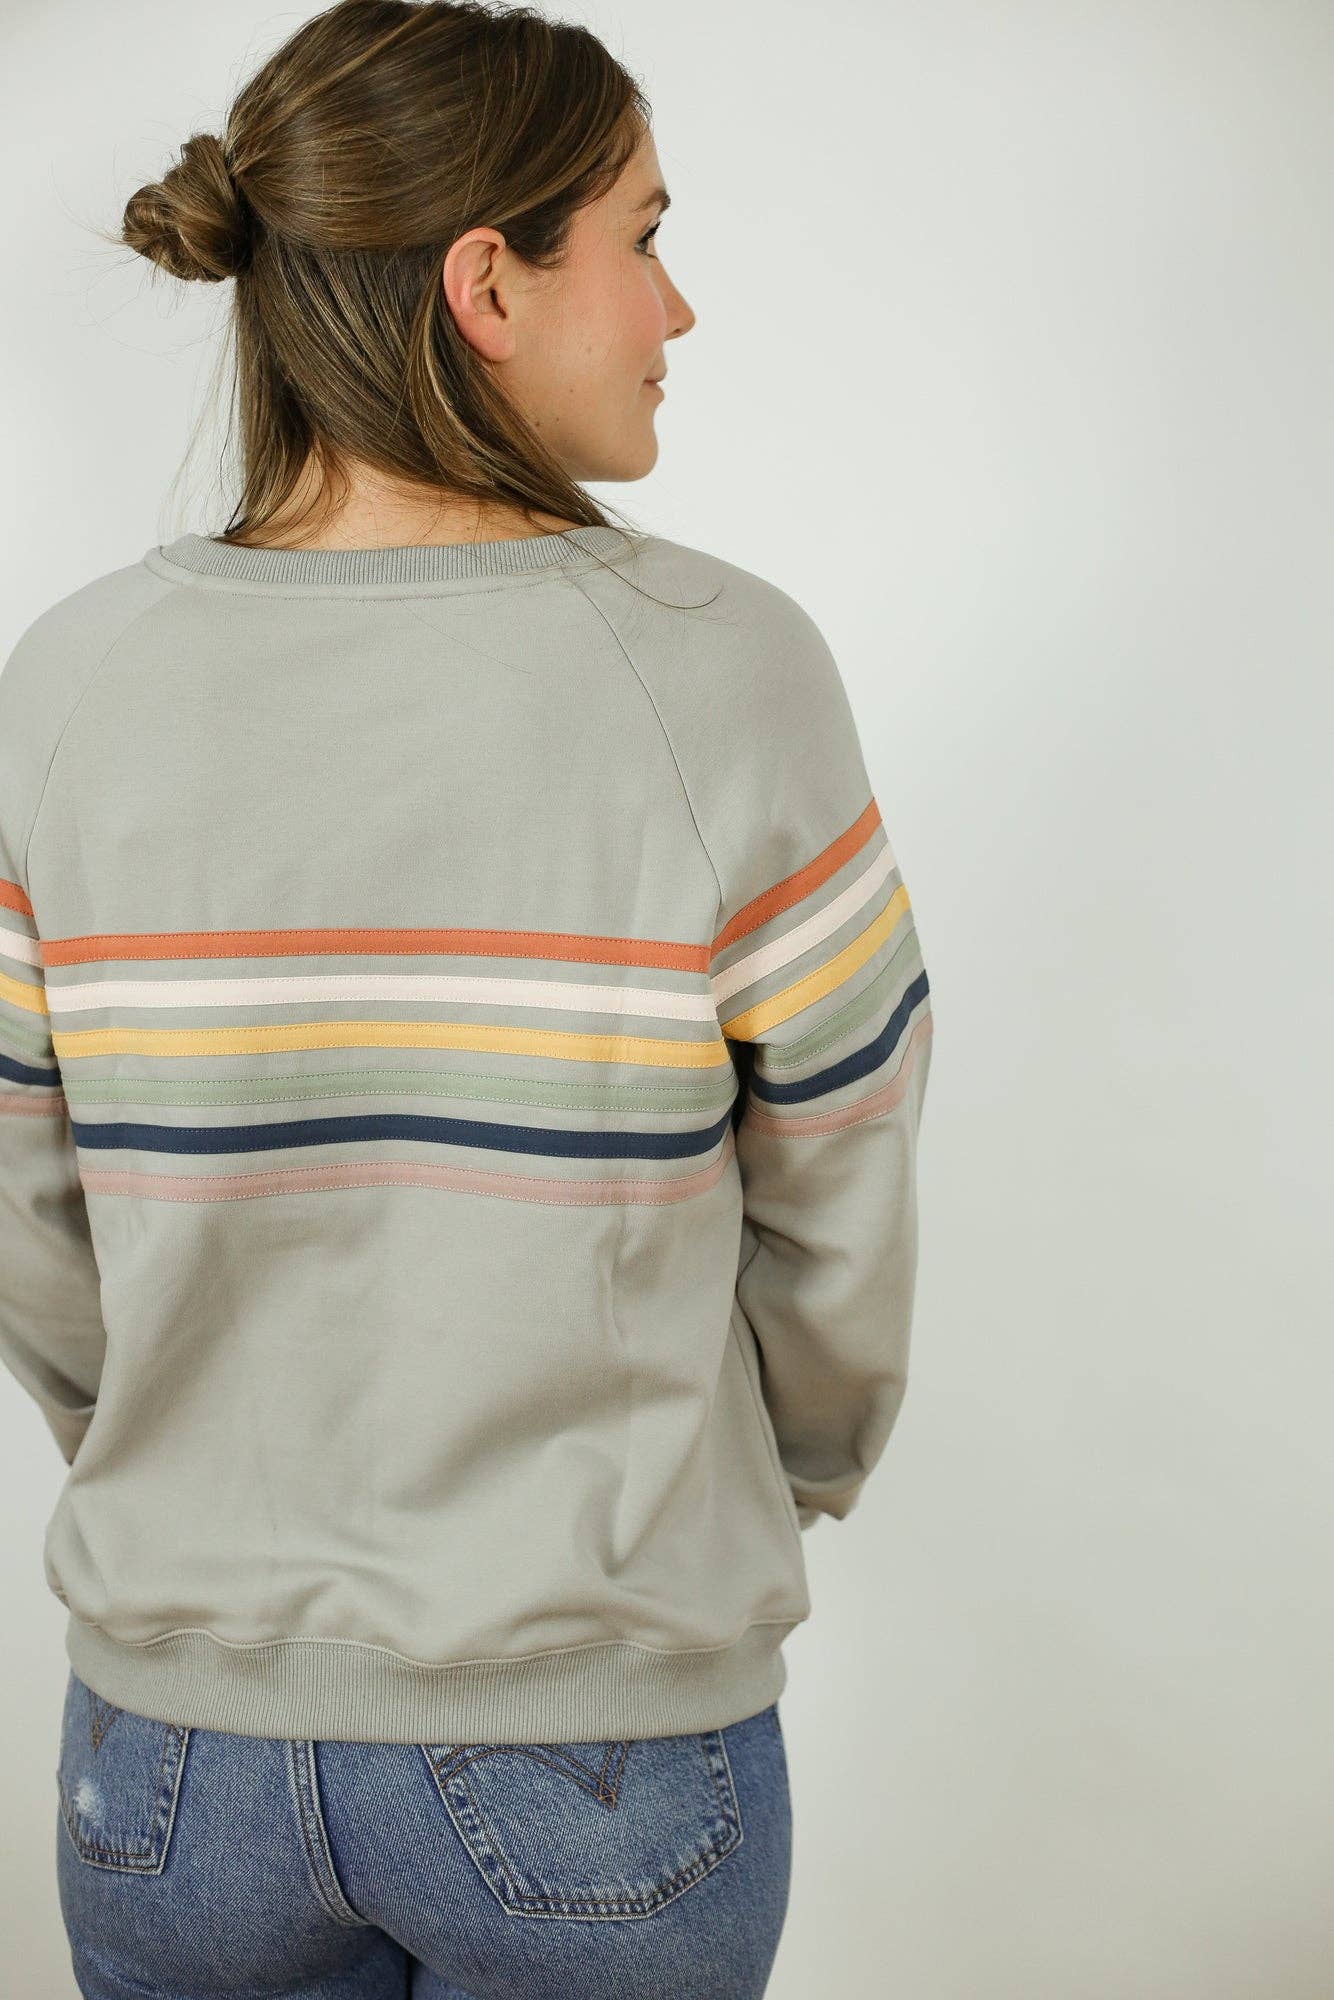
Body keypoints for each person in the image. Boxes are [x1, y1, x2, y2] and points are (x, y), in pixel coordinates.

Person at [0, 3, 935, 1993]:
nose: (677, 309)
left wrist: (162, 1439)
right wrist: (771, 1476)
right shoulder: (721, 671)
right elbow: (842, 1172)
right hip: (595, 1738)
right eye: (644, 238)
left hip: (167, 1760)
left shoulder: (68, 686)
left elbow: (23, 1200)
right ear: (486, 283)